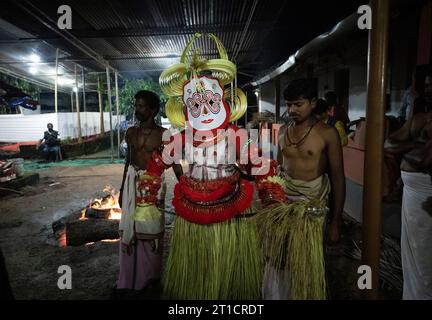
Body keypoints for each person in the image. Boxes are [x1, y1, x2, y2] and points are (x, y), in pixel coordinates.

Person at [256, 79, 346, 300]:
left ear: (313, 103)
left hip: (310, 208)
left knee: (305, 262)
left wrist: (335, 222)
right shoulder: (283, 131)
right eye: (289, 104)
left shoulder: (327, 134)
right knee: (277, 257)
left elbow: (338, 179)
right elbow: (277, 172)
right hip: (282, 206)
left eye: (298, 104)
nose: (292, 110)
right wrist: (269, 200)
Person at [116, 90, 182, 294]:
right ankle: (128, 280)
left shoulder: (164, 134)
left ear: (153, 109)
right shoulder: (130, 133)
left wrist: (185, 187)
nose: (137, 109)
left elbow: (174, 164)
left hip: (153, 186)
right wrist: (121, 190)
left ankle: (149, 279)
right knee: (130, 229)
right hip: (131, 184)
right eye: (136, 105)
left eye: (142, 106)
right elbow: (128, 162)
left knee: (150, 230)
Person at [385, 66, 432, 300]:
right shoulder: (420, 119)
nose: (428, 91)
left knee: (426, 259)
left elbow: (424, 158)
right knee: (413, 254)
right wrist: (416, 146)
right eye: (427, 87)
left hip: (427, 197)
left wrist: (416, 149)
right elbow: (388, 145)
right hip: (412, 195)